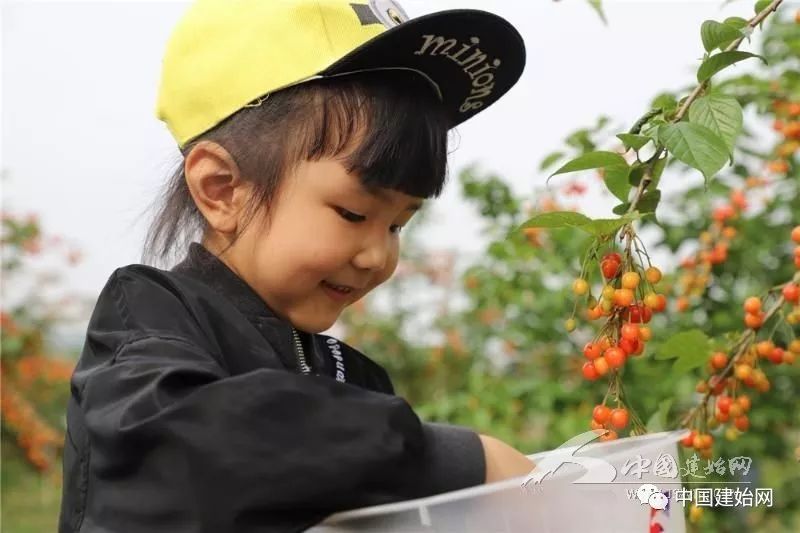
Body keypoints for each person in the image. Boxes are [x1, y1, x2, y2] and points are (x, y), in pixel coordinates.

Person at [58, 1, 532, 531]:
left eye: (398, 224)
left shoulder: (355, 377)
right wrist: (457, 459)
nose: (378, 255)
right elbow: (187, 443)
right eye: (353, 213)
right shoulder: (148, 320)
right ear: (222, 190)